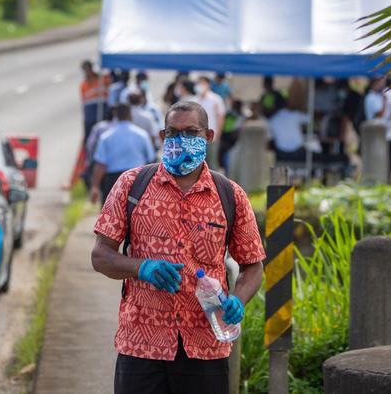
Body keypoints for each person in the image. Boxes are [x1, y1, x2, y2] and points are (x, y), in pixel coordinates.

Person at [91, 101, 265, 394]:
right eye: (172, 132)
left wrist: (239, 298)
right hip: (141, 345)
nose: (179, 140)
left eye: (190, 132)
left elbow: (253, 265)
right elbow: (100, 255)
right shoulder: (132, 185)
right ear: (161, 136)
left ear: (208, 136)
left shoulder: (230, 195)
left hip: (205, 345)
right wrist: (141, 267)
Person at [91, 104, 155, 204]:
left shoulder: (106, 137)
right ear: (130, 115)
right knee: (137, 215)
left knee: (112, 215)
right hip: (137, 180)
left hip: (114, 181)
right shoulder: (142, 134)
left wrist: (95, 187)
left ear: (116, 116)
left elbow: (100, 164)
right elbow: (151, 159)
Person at [194, 76, 226, 169]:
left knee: (212, 163)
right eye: (199, 83)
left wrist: (218, 134)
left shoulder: (216, 99)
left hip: (211, 135)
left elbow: (220, 116)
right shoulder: (194, 99)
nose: (200, 86)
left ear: (208, 85)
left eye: (203, 83)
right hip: (196, 137)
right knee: (197, 163)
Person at [268, 96, 311, 161]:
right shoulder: (295, 115)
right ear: (287, 104)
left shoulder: (272, 120)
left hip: (281, 153)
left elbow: (271, 138)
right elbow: (309, 118)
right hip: (298, 152)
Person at [80, 60, 109, 140]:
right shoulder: (84, 85)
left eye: (88, 69)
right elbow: (84, 102)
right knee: (89, 135)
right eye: (85, 70)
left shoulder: (101, 79)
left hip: (102, 108)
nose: (87, 72)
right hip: (90, 112)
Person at [219, 99, 247, 175]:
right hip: (226, 140)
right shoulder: (228, 115)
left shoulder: (242, 117)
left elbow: (238, 131)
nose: (235, 107)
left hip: (233, 143)